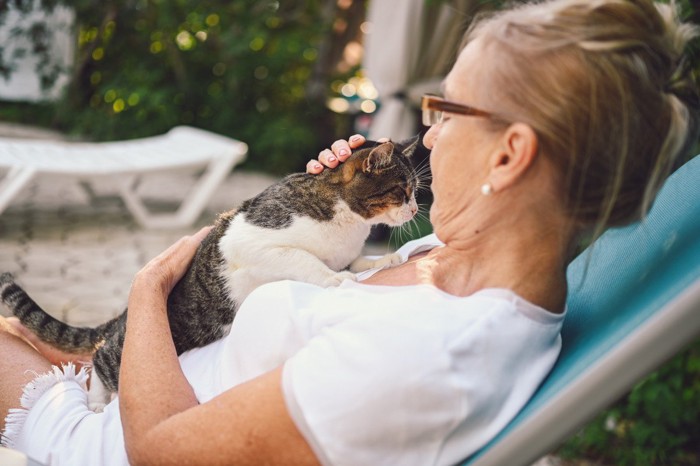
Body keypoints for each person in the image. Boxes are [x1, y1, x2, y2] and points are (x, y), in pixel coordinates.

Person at [1, 0, 698, 464]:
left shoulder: (429, 359)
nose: (428, 132)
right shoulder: (456, 263)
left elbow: (160, 451)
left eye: (447, 110)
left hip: (110, 438)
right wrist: (342, 214)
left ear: (509, 155)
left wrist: (148, 289)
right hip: (162, 373)